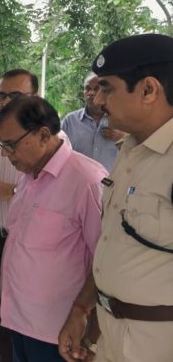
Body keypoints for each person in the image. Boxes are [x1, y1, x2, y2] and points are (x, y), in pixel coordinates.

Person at [58, 33, 173, 362]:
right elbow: (114, 244)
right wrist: (82, 309)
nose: (98, 100)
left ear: (148, 90)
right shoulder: (130, 150)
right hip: (111, 334)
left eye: (107, 88)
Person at [0, 96, 106, 361]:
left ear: (43, 135)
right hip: (19, 322)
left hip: (59, 334)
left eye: (10, 145)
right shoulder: (28, 176)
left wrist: (88, 328)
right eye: (2, 145)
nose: (4, 154)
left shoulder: (87, 181)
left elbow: (105, 262)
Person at [0, 68, 38, 362]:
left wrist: (10, 191)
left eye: (15, 95)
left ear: (35, 97)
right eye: (2, 95)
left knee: (30, 316)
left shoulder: (51, 139)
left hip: (31, 243)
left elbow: (53, 192)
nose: (6, 102)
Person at [61, 73, 125, 171]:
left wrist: (122, 137)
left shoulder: (121, 121)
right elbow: (60, 153)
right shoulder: (70, 121)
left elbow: (136, 152)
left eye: (96, 89)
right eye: (87, 88)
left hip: (112, 179)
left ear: (105, 92)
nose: (91, 93)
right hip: (77, 179)